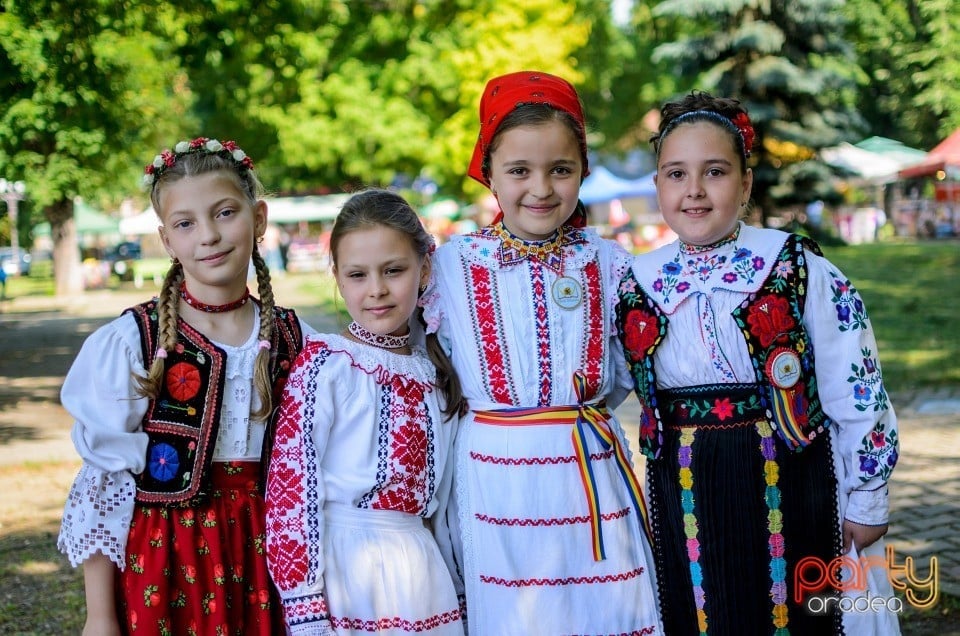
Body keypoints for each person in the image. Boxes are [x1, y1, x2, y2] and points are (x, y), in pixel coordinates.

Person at [616, 91, 900, 634]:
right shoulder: (637, 282)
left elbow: (855, 383)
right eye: (675, 174)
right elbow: (610, 377)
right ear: (657, 187)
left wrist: (868, 493)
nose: (694, 190)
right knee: (707, 609)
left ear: (745, 184)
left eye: (715, 172)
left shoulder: (795, 267)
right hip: (687, 489)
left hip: (797, 480)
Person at [421, 71, 663, 635]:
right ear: (488, 172)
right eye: (519, 171)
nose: (542, 188)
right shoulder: (450, 267)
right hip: (495, 478)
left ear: (582, 167)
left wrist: (577, 408)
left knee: (605, 610)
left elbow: (626, 368)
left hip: (588, 471)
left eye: (561, 169)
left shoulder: (609, 262)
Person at [57, 137, 312, 635]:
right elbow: (104, 484)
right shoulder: (136, 342)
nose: (209, 236)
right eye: (185, 223)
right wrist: (100, 617)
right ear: (166, 240)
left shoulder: (296, 339)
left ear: (258, 219)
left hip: (272, 553)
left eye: (224, 213)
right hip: (169, 558)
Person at [265, 189, 466, 636]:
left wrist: (459, 587)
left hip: (421, 571)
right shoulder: (327, 366)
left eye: (393, 271)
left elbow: (446, 503)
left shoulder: (436, 371)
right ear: (337, 277)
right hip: (347, 570)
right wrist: (305, 605)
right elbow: (291, 491)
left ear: (425, 268)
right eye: (358, 275)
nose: (376, 289)